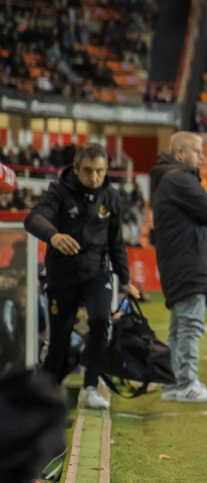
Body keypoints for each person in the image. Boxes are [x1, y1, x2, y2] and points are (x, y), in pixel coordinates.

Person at [24, 143, 139, 410]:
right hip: (62, 276)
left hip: (97, 273)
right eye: (88, 171)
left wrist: (125, 280)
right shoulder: (58, 191)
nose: (94, 177)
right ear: (76, 168)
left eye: (100, 171)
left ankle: (90, 387)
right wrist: (53, 235)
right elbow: (33, 218)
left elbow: (116, 242)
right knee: (59, 344)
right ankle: (44, 396)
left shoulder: (110, 196)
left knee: (100, 321)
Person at [150, 132, 207, 403]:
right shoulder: (179, 178)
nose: (201, 157)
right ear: (180, 154)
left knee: (179, 326)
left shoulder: (169, 178)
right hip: (188, 264)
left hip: (179, 264)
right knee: (190, 326)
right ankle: (187, 384)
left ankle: (173, 384)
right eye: (196, 151)